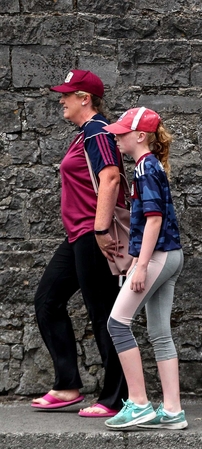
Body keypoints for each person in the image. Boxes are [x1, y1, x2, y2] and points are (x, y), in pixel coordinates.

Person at [32, 69, 128, 418]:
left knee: (105, 314)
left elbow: (111, 177)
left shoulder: (98, 131)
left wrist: (102, 231)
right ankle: (67, 385)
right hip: (77, 236)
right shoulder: (82, 135)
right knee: (47, 301)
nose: (62, 100)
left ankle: (116, 397)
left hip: (93, 235)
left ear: (84, 99)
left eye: (67, 95)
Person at [101, 107, 187, 430]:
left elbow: (153, 220)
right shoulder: (149, 166)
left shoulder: (143, 169)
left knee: (117, 324)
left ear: (140, 136)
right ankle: (173, 410)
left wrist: (141, 267)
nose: (117, 137)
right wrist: (138, 262)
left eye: (122, 133)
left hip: (159, 256)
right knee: (160, 334)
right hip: (169, 255)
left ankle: (138, 403)